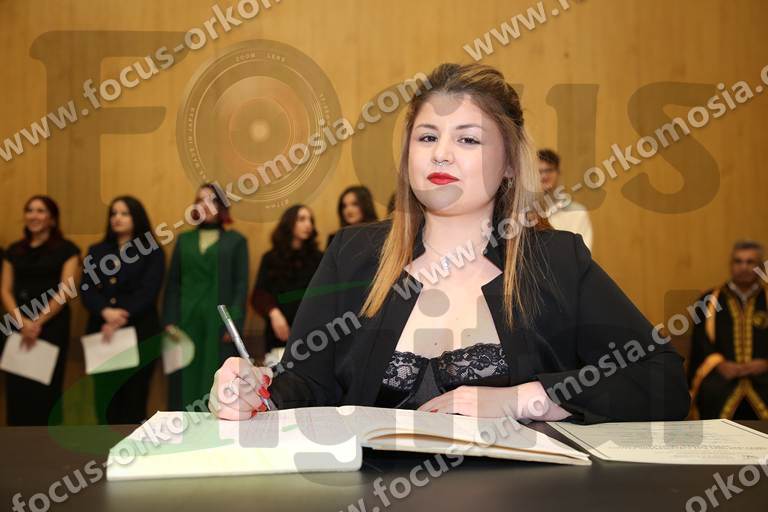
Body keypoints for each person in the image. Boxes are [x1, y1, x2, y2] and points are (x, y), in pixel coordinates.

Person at [209, 63, 690, 423]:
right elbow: (304, 386)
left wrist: (523, 399)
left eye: (468, 140)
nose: (441, 153)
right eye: (426, 137)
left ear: (509, 163)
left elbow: (661, 380)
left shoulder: (558, 261)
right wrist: (253, 392)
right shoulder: (351, 254)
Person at [163, 184, 249, 410]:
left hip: (218, 323)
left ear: (222, 206)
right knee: (183, 380)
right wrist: (170, 320)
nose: (206, 205)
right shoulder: (184, 240)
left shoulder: (236, 242)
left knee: (217, 377)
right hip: (184, 321)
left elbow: (241, 286)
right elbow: (173, 283)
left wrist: (233, 323)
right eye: (200, 200)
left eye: (212, 200)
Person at [81, 196, 165, 424]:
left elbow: (149, 291)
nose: (117, 218)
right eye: (114, 213)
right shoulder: (96, 251)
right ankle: (104, 447)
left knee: (134, 398)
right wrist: (106, 312)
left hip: (140, 332)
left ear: (136, 217)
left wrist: (119, 315)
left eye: (124, 213)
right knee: (105, 399)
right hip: (102, 332)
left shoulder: (152, 251)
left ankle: (132, 446)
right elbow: (86, 289)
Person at [1, 196, 80, 426]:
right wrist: (23, 322)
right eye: (29, 210)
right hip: (17, 327)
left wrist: (38, 321)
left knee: (45, 393)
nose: (33, 215)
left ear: (52, 219)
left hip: (50, 327)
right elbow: (5, 289)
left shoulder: (67, 250)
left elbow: (66, 290)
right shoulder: (14, 250)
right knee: (18, 392)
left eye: (40, 211)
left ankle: (47, 445)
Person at [688, 240, 768, 420]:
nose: (743, 267)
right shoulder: (710, 300)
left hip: (764, 376)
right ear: (731, 265)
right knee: (710, 392)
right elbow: (701, 341)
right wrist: (720, 364)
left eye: (750, 262)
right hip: (722, 376)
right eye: (738, 261)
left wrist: (765, 363)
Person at [251, 205, 323, 353]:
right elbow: (258, 295)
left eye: (310, 220)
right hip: (279, 334)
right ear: (289, 222)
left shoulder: (320, 258)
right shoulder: (271, 258)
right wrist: (274, 313)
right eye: (301, 219)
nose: (308, 224)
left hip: (313, 335)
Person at [537, 149, 593, 250]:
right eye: (539, 171)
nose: (544, 176)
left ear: (558, 173)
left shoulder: (577, 212)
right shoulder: (526, 214)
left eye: (549, 170)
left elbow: (584, 252)